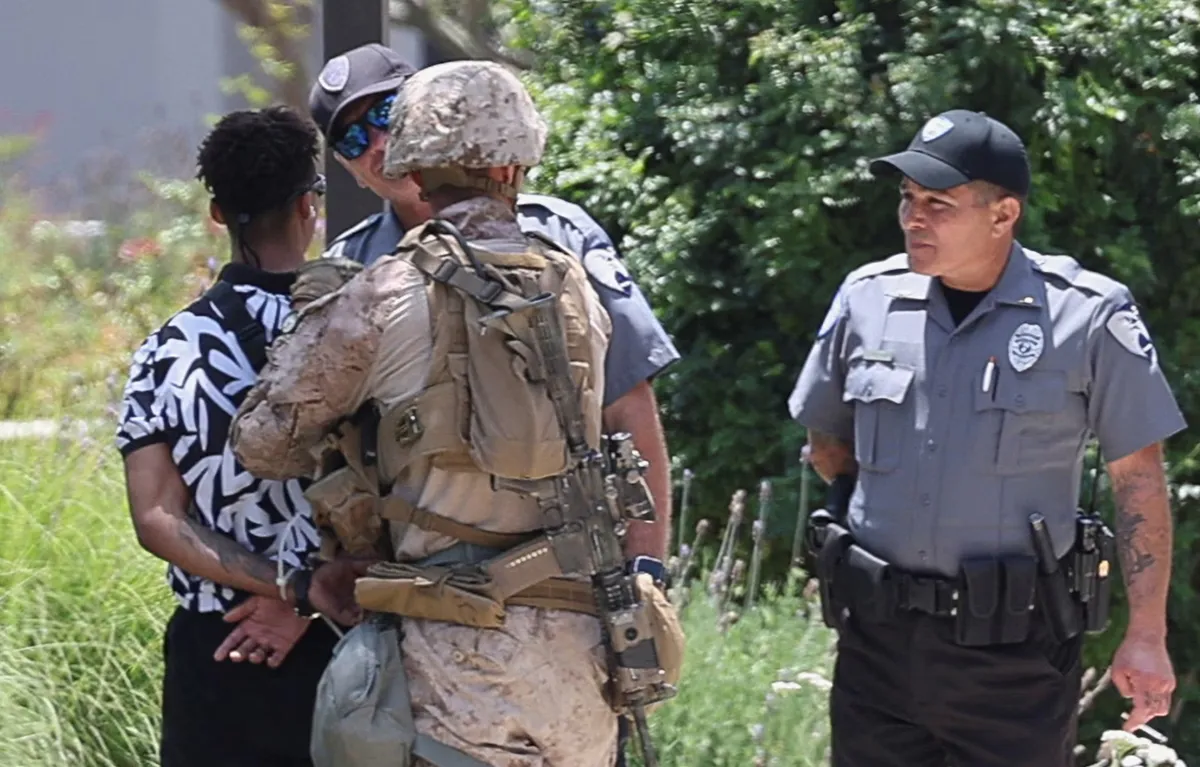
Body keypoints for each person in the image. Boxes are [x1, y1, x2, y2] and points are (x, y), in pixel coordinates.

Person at [230, 59, 682, 767]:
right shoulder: (575, 284)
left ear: (413, 165)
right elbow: (624, 419)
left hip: (452, 674)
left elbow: (263, 442)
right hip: (580, 674)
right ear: (513, 164)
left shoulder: (378, 291)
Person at [788, 109, 1184, 767]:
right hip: (877, 645)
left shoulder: (1087, 314)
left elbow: (1138, 479)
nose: (913, 218)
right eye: (908, 198)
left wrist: (1146, 633)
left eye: (938, 204)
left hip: (1013, 655)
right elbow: (828, 440)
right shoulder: (867, 299)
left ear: (1003, 214)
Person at [308, 43, 678, 571]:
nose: (378, 143)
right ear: (347, 167)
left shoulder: (557, 236)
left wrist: (647, 567)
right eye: (352, 138)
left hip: (571, 567)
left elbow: (627, 402)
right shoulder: (349, 271)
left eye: (387, 113)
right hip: (421, 580)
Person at [115, 106, 364, 767]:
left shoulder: (167, 350)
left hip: (217, 654)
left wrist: (291, 587)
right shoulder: (366, 328)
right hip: (350, 644)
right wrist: (312, 596)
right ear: (310, 205)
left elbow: (156, 517)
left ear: (218, 214)